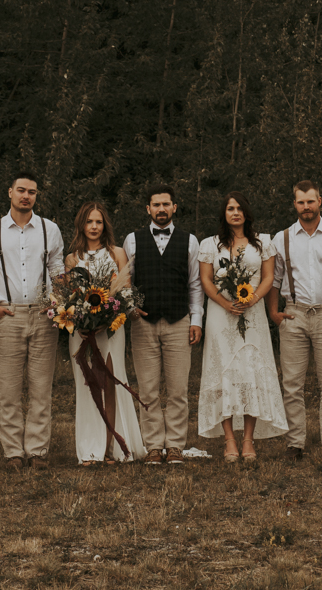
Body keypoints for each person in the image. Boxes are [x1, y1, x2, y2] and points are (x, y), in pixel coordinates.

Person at [0, 171, 64, 470]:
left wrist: (55, 304)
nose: (27, 196)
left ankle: (37, 451)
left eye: (33, 192)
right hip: (8, 314)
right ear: (10, 192)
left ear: (37, 196)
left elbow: (57, 271)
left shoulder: (50, 229)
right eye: (21, 190)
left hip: (42, 316)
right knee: (9, 390)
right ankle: (13, 452)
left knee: (41, 388)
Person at [266, 180, 322, 462]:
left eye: (311, 201)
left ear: (320, 201)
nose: (306, 207)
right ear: (294, 205)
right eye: (301, 202)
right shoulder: (281, 238)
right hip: (294, 313)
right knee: (292, 384)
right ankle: (295, 443)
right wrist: (274, 313)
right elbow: (274, 280)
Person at [197, 192, 287, 462]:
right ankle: (229, 440)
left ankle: (248, 439)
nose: (235, 212)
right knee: (223, 371)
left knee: (250, 372)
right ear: (223, 214)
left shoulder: (263, 243)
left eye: (239, 208)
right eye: (229, 208)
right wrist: (226, 304)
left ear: (246, 212)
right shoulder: (210, 244)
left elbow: (269, 277)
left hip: (253, 314)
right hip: (220, 315)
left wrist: (253, 298)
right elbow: (206, 280)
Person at [124, 185, 204, 466]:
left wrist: (196, 321)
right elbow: (126, 283)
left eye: (166, 204)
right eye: (156, 205)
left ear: (174, 208)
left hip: (178, 321)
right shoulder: (132, 241)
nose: (161, 209)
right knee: (147, 389)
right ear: (148, 208)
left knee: (178, 389)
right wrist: (131, 308)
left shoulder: (189, 241)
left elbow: (195, 284)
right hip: (143, 324)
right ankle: (154, 446)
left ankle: (175, 446)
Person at [65, 201, 145, 465]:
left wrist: (107, 317)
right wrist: (83, 319)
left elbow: (124, 292)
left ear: (105, 225)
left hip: (110, 329)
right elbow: (68, 298)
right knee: (88, 385)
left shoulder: (117, 253)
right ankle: (90, 449)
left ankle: (111, 447)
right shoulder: (72, 258)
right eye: (89, 222)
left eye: (98, 222)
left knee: (110, 382)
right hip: (82, 331)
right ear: (81, 225)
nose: (94, 227)